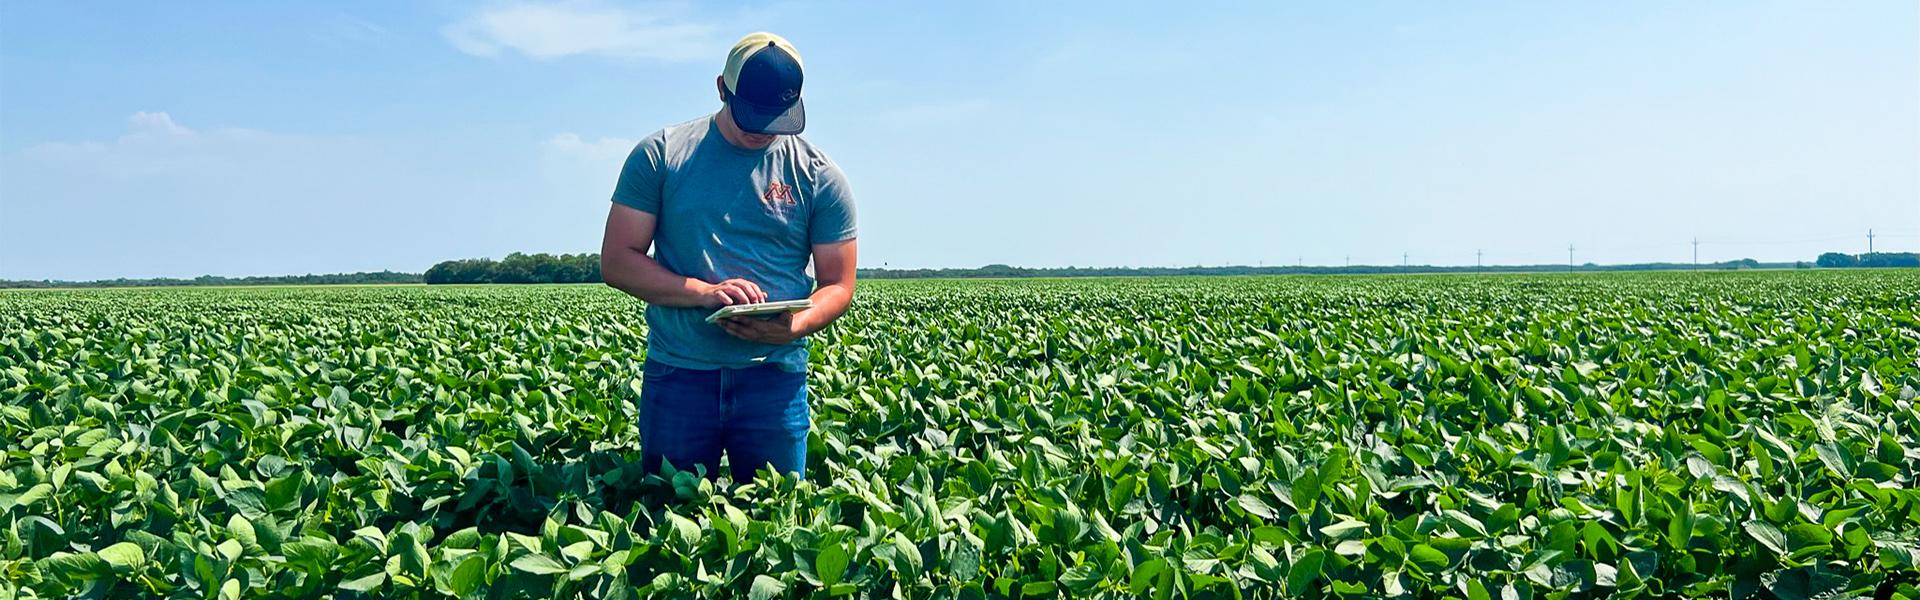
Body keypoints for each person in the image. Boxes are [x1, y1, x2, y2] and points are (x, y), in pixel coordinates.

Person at [599, 32, 857, 480]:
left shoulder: (819, 175)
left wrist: (794, 325)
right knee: (667, 523)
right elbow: (618, 260)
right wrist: (704, 293)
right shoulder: (661, 155)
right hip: (680, 375)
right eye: (750, 116)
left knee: (776, 526)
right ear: (722, 88)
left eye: (776, 118)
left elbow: (838, 283)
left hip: (775, 380)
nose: (761, 131)